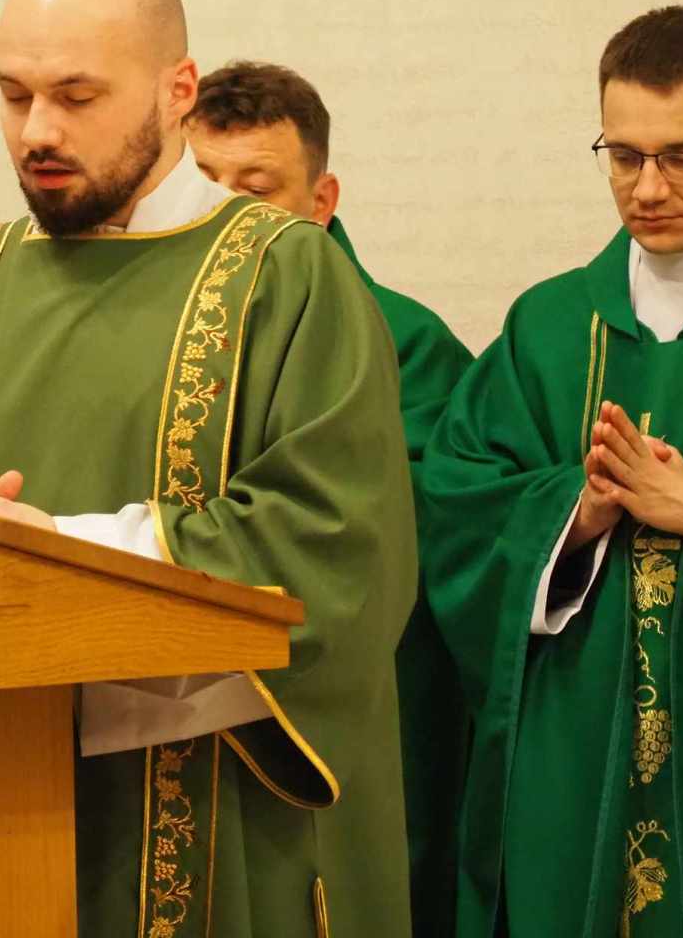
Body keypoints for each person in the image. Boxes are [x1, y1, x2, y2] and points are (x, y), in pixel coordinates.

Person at [0, 0, 416, 936]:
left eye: (77, 96)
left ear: (178, 93)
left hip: (222, 821)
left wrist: (47, 558)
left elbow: (333, 548)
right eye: (13, 96)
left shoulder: (285, 278)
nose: (37, 131)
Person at [422, 4, 683, 937]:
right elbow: (458, 505)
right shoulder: (548, 327)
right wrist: (575, 515)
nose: (647, 186)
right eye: (623, 154)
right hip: (571, 747)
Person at [187, 60, 473, 937]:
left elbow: (428, 524)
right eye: (203, 183)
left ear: (321, 200)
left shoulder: (404, 340)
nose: (224, 215)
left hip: (331, 706)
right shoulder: (150, 333)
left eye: (255, 190)